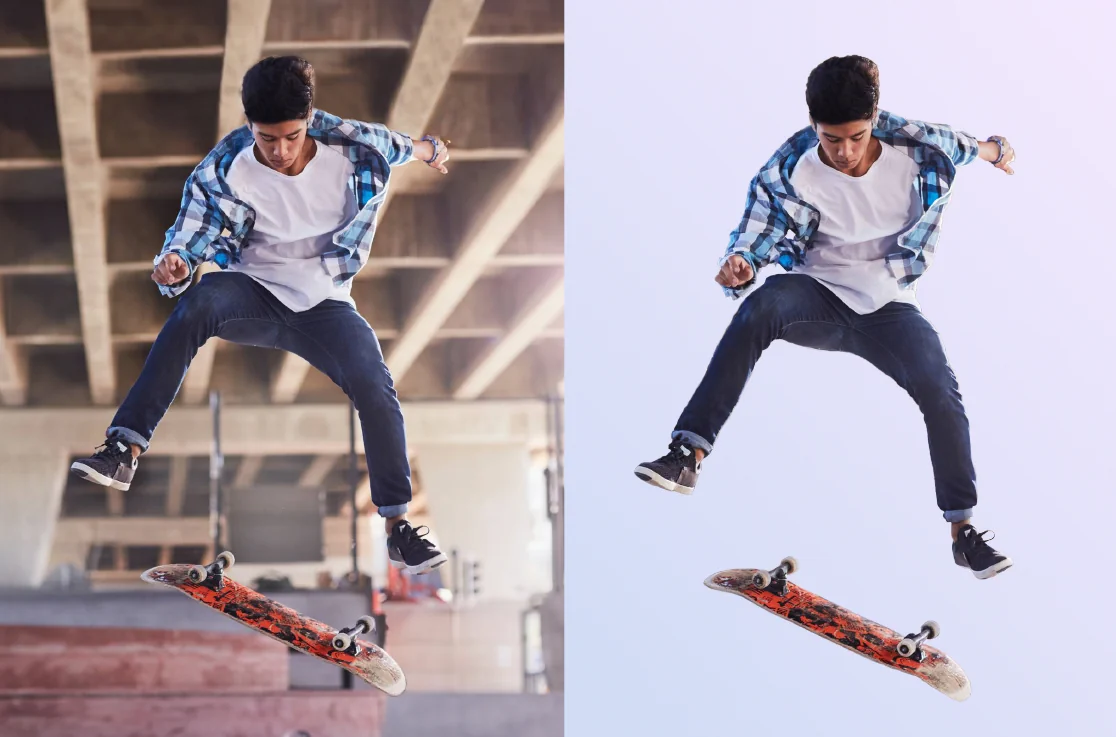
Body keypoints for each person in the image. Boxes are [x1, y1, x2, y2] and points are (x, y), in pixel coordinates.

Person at [634, 55, 1014, 580]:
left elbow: (969, 147)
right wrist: (740, 268)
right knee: (760, 304)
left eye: (856, 137)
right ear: (814, 126)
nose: (845, 152)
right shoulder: (789, 169)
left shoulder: (917, 145)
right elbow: (755, 235)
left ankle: (962, 531)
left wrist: (997, 151)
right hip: (816, 294)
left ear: (874, 118)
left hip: (891, 307)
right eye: (831, 139)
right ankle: (687, 454)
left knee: (940, 391)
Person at [69, 56, 447, 576]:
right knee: (198, 301)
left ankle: (397, 528)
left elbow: (403, 146)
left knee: (375, 383)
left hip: (325, 302)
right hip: (252, 290)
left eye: (291, 137)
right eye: (267, 138)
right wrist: (174, 266)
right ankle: (123, 449)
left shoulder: (350, 144)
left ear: (308, 120)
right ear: (250, 126)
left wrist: (431, 150)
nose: (281, 151)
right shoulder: (225, 167)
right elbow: (188, 234)